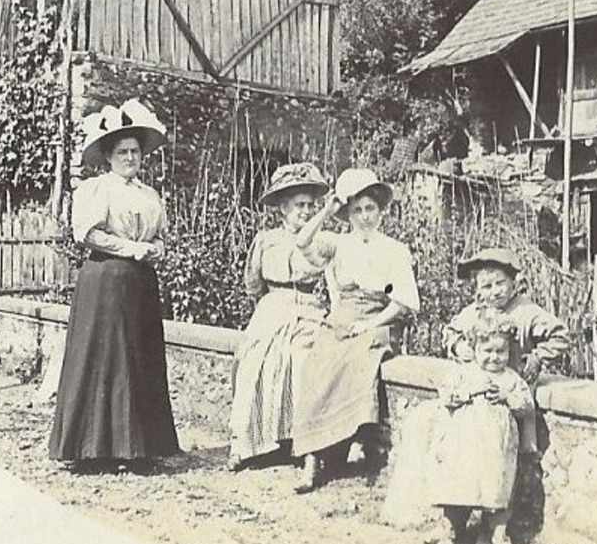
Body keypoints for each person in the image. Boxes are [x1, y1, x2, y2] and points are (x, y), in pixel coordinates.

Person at [47, 99, 180, 469]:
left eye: (135, 151)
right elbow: (87, 233)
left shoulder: (150, 195)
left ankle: (138, 448)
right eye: (121, 151)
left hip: (140, 284)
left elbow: (162, 237)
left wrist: (156, 249)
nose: (129, 157)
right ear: (108, 155)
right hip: (105, 280)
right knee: (103, 359)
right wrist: (133, 248)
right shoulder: (96, 189)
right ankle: (92, 449)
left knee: (139, 359)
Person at [290, 167, 419, 493]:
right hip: (341, 320)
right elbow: (302, 241)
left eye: (370, 208)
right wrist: (327, 210)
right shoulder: (337, 243)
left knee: (358, 362)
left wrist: (369, 324)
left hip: (377, 321)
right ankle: (311, 457)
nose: (364, 216)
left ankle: (356, 440)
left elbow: (402, 302)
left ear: (380, 210)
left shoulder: (394, 249)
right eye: (357, 209)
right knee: (317, 364)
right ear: (347, 213)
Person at [228, 163, 339, 470]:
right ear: (283, 208)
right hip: (272, 307)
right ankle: (244, 444)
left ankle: (304, 446)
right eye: (298, 205)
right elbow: (253, 282)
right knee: (252, 362)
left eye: (310, 205)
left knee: (302, 361)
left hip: (308, 307)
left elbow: (334, 279)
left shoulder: (322, 240)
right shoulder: (267, 239)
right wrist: (267, 309)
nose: (305, 211)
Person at [445, 247, 571, 454]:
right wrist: (458, 347)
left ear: (513, 282)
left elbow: (561, 335)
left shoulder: (527, 312)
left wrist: (538, 356)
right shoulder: (473, 313)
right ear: (478, 290)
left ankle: (525, 459)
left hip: (512, 387)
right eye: (486, 286)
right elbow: (451, 332)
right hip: (478, 388)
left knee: (511, 443)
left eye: (500, 283)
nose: (495, 292)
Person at [425, 325, 533, 544]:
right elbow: (446, 396)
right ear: (474, 349)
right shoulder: (464, 374)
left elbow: (526, 405)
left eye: (500, 352)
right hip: (464, 444)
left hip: (497, 447)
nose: (494, 357)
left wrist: (507, 397)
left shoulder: (511, 378)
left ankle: (495, 537)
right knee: (460, 484)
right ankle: (451, 532)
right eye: (487, 351)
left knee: (496, 487)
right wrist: (471, 392)